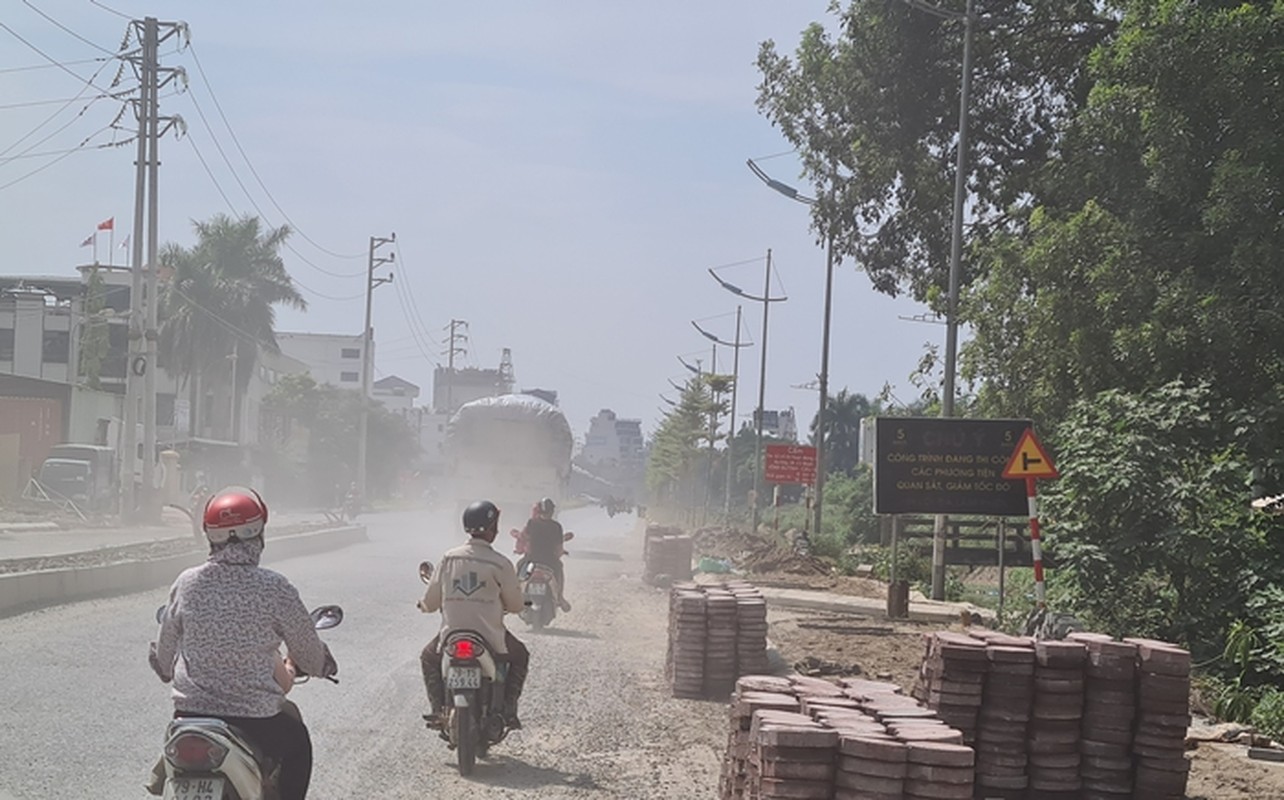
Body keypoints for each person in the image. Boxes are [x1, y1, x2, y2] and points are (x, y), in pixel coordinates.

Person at [148, 486, 336, 800]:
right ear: (259, 534)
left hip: (189, 717)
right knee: (298, 744)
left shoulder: (187, 582)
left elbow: (164, 659)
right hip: (256, 719)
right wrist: (322, 664)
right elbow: (308, 651)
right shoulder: (275, 588)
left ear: (209, 535)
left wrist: (166, 668)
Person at [418, 500, 529, 730]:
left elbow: (430, 602)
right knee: (520, 656)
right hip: (492, 640)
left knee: (428, 657)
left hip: (450, 637)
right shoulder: (501, 563)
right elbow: (516, 605)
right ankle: (508, 710)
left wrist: (423, 605)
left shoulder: (449, 558)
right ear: (492, 529)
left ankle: (438, 710)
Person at [517, 497, 571, 612]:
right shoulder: (556, 527)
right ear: (552, 511)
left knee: (519, 566)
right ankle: (560, 598)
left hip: (531, 560)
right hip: (550, 561)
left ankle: (515, 595)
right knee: (559, 570)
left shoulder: (532, 523)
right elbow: (559, 548)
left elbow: (525, 537)